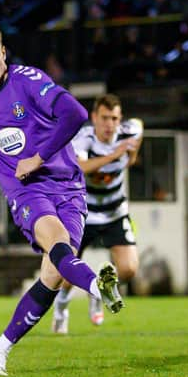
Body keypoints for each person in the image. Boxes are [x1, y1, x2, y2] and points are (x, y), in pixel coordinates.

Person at [0, 21, 123, 376]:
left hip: (69, 188)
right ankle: (96, 287)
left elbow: (74, 113)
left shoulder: (28, 80)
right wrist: (31, 168)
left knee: (53, 276)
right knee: (57, 243)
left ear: (4, 52)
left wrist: (38, 156)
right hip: (27, 191)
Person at [52, 94, 143, 333]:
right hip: (82, 211)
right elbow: (80, 168)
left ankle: (98, 292)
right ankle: (61, 308)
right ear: (94, 118)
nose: (109, 124)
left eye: (114, 118)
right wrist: (116, 154)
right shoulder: (84, 138)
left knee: (129, 269)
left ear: (120, 118)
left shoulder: (129, 131)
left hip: (114, 211)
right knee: (66, 275)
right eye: (104, 118)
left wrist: (131, 156)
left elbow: (139, 128)